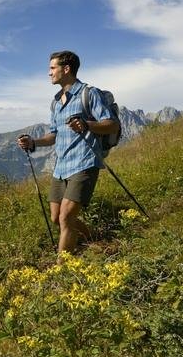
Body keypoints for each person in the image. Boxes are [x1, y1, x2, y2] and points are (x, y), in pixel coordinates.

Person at [18, 50, 119, 256]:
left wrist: (86, 124)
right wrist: (33, 142)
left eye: (52, 68)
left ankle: (62, 271)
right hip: (61, 167)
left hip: (85, 161)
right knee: (56, 218)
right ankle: (94, 238)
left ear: (66, 69)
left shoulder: (88, 93)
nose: (49, 73)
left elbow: (111, 124)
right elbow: (54, 135)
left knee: (66, 217)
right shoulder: (56, 102)